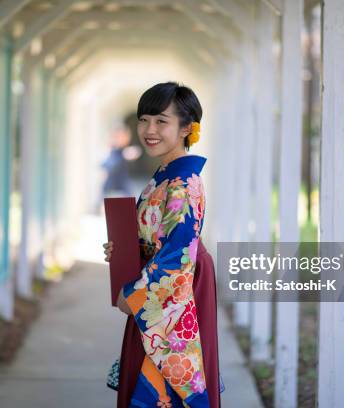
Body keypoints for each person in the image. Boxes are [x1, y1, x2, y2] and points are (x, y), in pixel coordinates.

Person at [103, 82, 221, 407]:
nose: (149, 129)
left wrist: (136, 295)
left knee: (162, 384)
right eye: (144, 120)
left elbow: (176, 256)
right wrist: (126, 251)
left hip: (173, 291)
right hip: (161, 287)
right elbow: (156, 240)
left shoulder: (183, 185)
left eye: (161, 121)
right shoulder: (167, 176)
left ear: (187, 128)